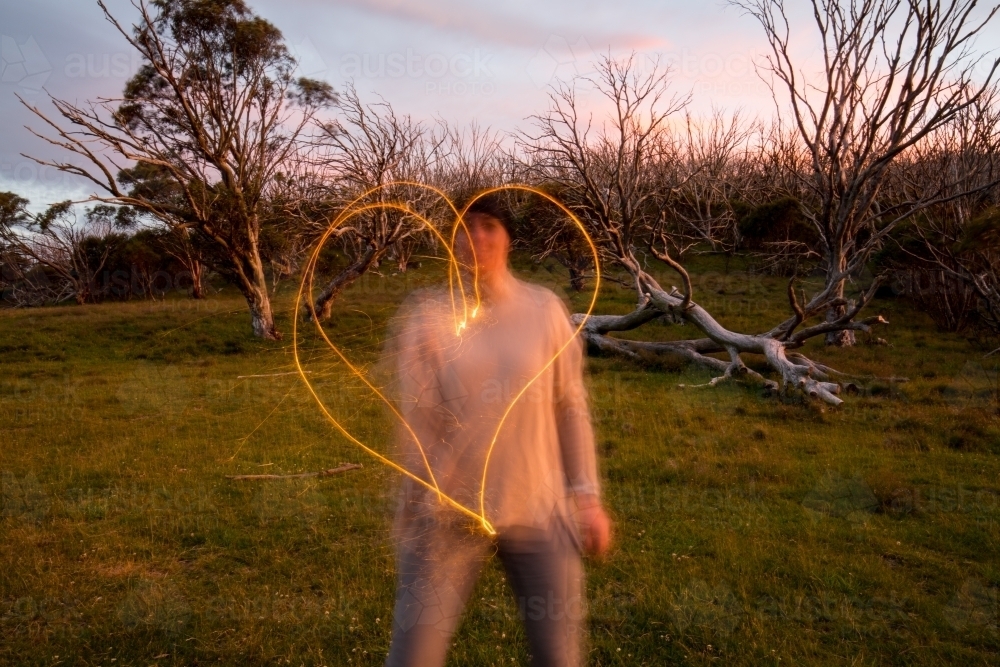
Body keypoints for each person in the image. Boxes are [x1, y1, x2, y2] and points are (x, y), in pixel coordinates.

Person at [382, 194, 612, 667]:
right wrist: (422, 489)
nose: (477, 237)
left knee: (558, 657)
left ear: (508, 237)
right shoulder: (428, 318)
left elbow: (570, 407)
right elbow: (418, 418)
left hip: (538, 505)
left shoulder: (544, 310)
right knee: (413, 657)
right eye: (464, 227)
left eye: (488, 225)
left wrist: (586, 496)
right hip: (449, 510)